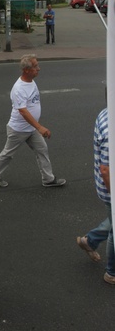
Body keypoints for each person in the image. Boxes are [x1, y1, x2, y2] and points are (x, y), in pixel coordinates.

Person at [0, 54, 66, 188]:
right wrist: (40, 127)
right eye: (35, 66)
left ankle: (48, 179)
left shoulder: (31, 81)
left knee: (42, 150)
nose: (39, 69)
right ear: (26, 70)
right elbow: (23, 111)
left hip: (31, 128)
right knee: (8, 154)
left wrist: (36, 127)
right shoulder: (19, 88)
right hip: (18, 129)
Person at [77, 107, 115, 284]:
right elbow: (106, 170)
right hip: (110, 189)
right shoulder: (110, 128)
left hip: (106, 185)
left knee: (112, 221)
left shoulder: (105, 111)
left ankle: (90, 241)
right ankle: (112, 272)